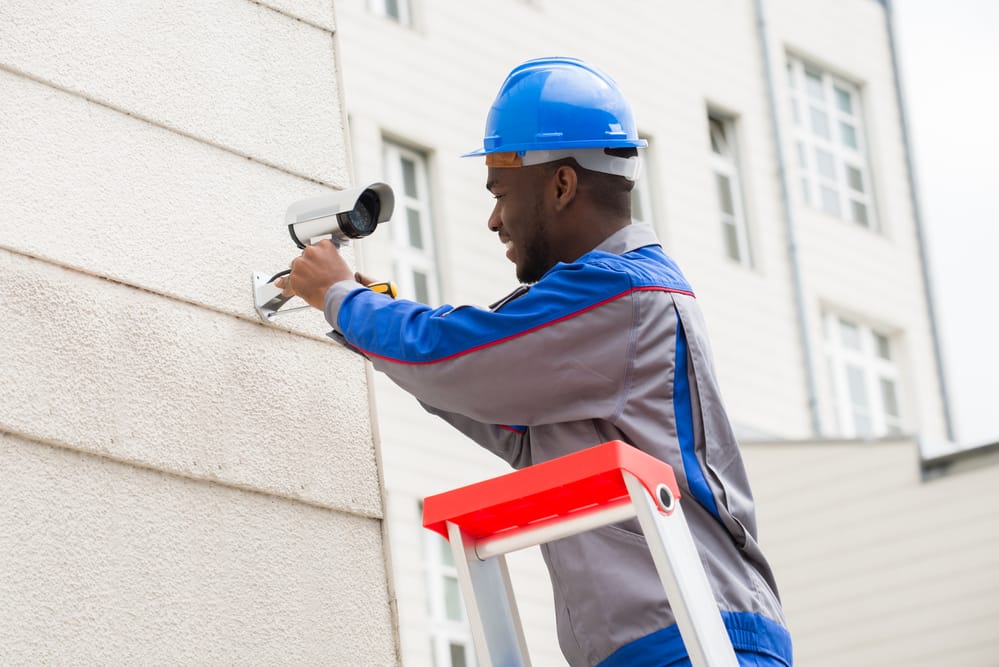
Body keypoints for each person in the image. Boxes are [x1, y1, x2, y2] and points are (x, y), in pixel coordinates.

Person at [279, 56, 793, 667]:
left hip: (692, 636)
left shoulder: (621, 293)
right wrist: (368, 318)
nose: (494, 218)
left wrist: (343, 299)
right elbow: (491, 403)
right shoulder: (605, 306)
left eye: (500, 192)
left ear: (562, 185)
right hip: (663, 637)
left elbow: (461, 359)